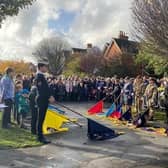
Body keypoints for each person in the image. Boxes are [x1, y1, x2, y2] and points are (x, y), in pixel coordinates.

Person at [35, 61, 55, 144]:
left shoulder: (41, 76)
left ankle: (40, 135)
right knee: (40, 118)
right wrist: (49, 97)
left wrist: (50, 96)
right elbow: (41, 90)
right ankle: (40, 137)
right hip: (42, 99)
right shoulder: (39, 76)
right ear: (40, 67)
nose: (46, 68)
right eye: (45, 67)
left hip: (44, 99)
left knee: (41, 118)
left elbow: (45, 88)